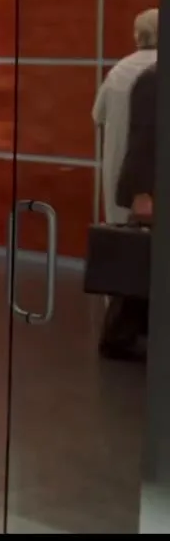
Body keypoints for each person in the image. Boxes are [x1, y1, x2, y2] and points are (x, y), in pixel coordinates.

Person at [100, 62, 158, 362]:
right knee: (141, 260)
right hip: (151, 188)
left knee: (145, 262)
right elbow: (143, 140)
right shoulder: (153, 79)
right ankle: (119, 337)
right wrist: (142, 193)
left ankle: (124, 334)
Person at [93, 9, 157, 225]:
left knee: (120, 234)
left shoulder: (118, 71)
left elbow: (98, 115)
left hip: (119, 168)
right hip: (152, 175)